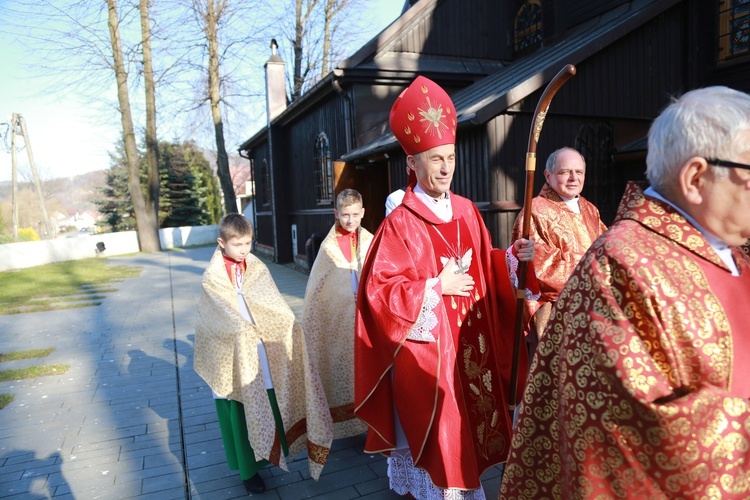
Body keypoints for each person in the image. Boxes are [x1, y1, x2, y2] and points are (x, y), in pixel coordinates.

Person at [500, 86, 750, 499]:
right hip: (555, 306)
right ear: (696, 178)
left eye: (579, 172)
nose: (574, 179)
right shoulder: (616, 268)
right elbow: (629, 436)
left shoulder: (726, 250)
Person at [355, 75, 537, 499]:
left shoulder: (468, 210)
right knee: (443, 439)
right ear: (412, 165)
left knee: (470, 435)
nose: (445, 167)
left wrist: (512, 259)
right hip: (429, 357)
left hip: (471, 349)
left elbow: (486, 265)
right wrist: (435, 286)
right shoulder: (400, 221)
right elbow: (379, 292)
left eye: (450, 157)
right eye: (435, 159)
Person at [193, 213, 333, 493]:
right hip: (233, 353)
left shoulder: (255, 266)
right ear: (222, 243)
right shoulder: (212, 278)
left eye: (248, 243)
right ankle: (248, 470)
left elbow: (273, 302)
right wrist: (241, 331)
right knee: (242, 406)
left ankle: (273, 451)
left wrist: (289, 323)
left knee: (268, 401)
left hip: (261, 349)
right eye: (237, 244)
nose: (244, 250)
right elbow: (219, 315)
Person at [511, 147, 606, 358]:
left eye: (579, 172)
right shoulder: (534, 210)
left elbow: (606, 249)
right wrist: (592, 267)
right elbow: (537, 265)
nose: (573, 178)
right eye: (565, 172)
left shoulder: (590, 209)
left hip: (594, 306)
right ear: (548, 175)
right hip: (557, 311)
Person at [302, 188, 373, 439]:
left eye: (355, 214)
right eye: (345, 215)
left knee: (369, 370)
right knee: (344, 369)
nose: (350, 220)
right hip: (339, 321)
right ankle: (347, 424)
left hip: (367, 319)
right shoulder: (328, 248)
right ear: (336, 213)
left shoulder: (370, 240)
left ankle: (371, 421)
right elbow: (318, 289)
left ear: (362, 212)